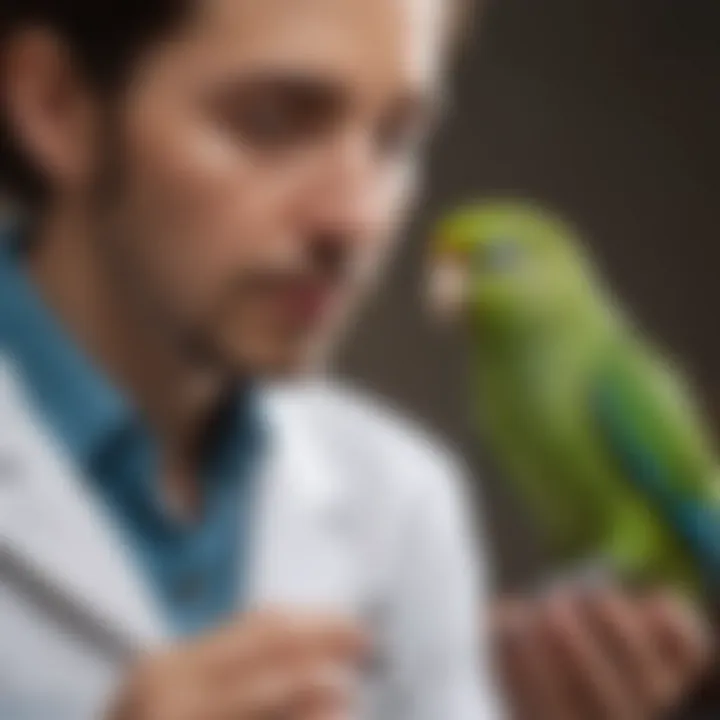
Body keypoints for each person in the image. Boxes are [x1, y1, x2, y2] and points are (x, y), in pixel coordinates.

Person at [0, 1, 499, 718]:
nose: (355, 219)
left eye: (395, 139)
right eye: (270, 123)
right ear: (56, 106)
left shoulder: (403, 501)